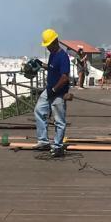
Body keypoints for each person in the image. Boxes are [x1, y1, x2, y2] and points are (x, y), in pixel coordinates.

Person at [34, 28, 70, 158]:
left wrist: (55, 90)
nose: (47, 48)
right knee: (39, 110)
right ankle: (43, 141)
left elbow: (65, 77)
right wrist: (41, 65)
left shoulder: (63, 56)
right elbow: (51, 69)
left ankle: (58, 146)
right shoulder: (52, 54)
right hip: (49, 89)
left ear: (55, 41)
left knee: (59, 120)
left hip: (58, 92)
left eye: (48, 45)